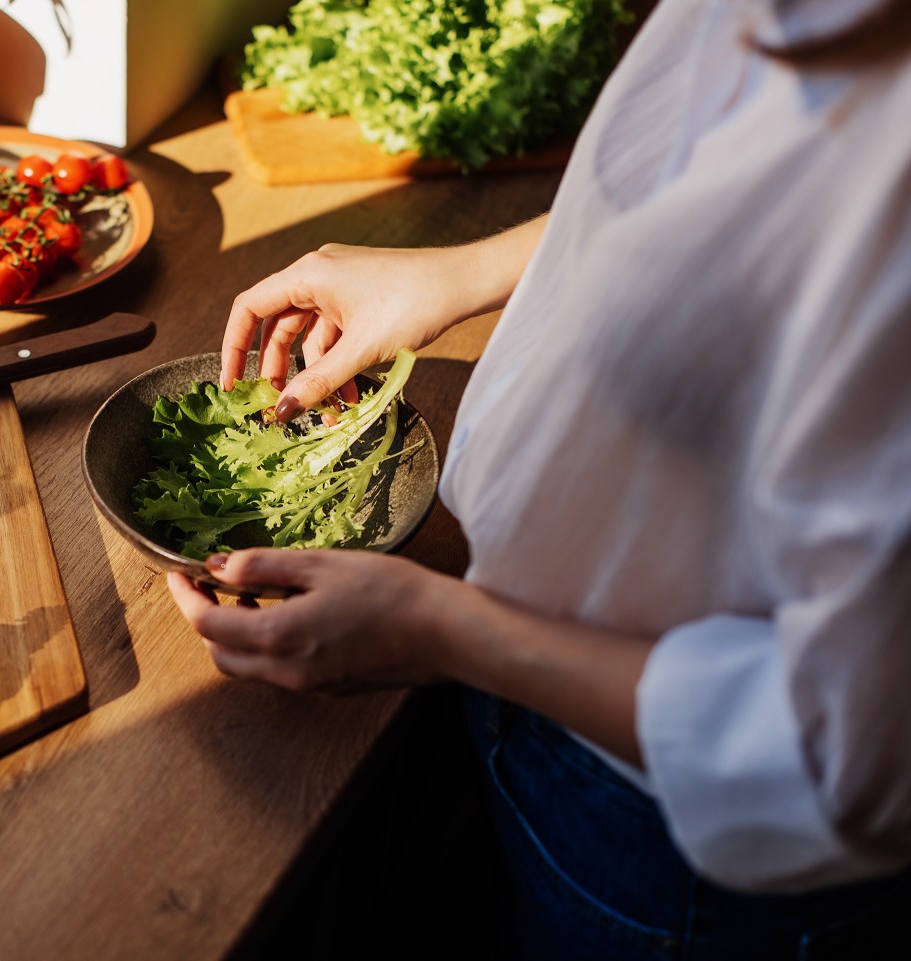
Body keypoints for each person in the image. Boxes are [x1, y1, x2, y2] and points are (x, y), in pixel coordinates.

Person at [166, 0, 911, 956]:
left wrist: (445, 628)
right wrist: (465, 270)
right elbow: (708, 206)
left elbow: (848, 764)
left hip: (666, 852)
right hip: (521, 696)